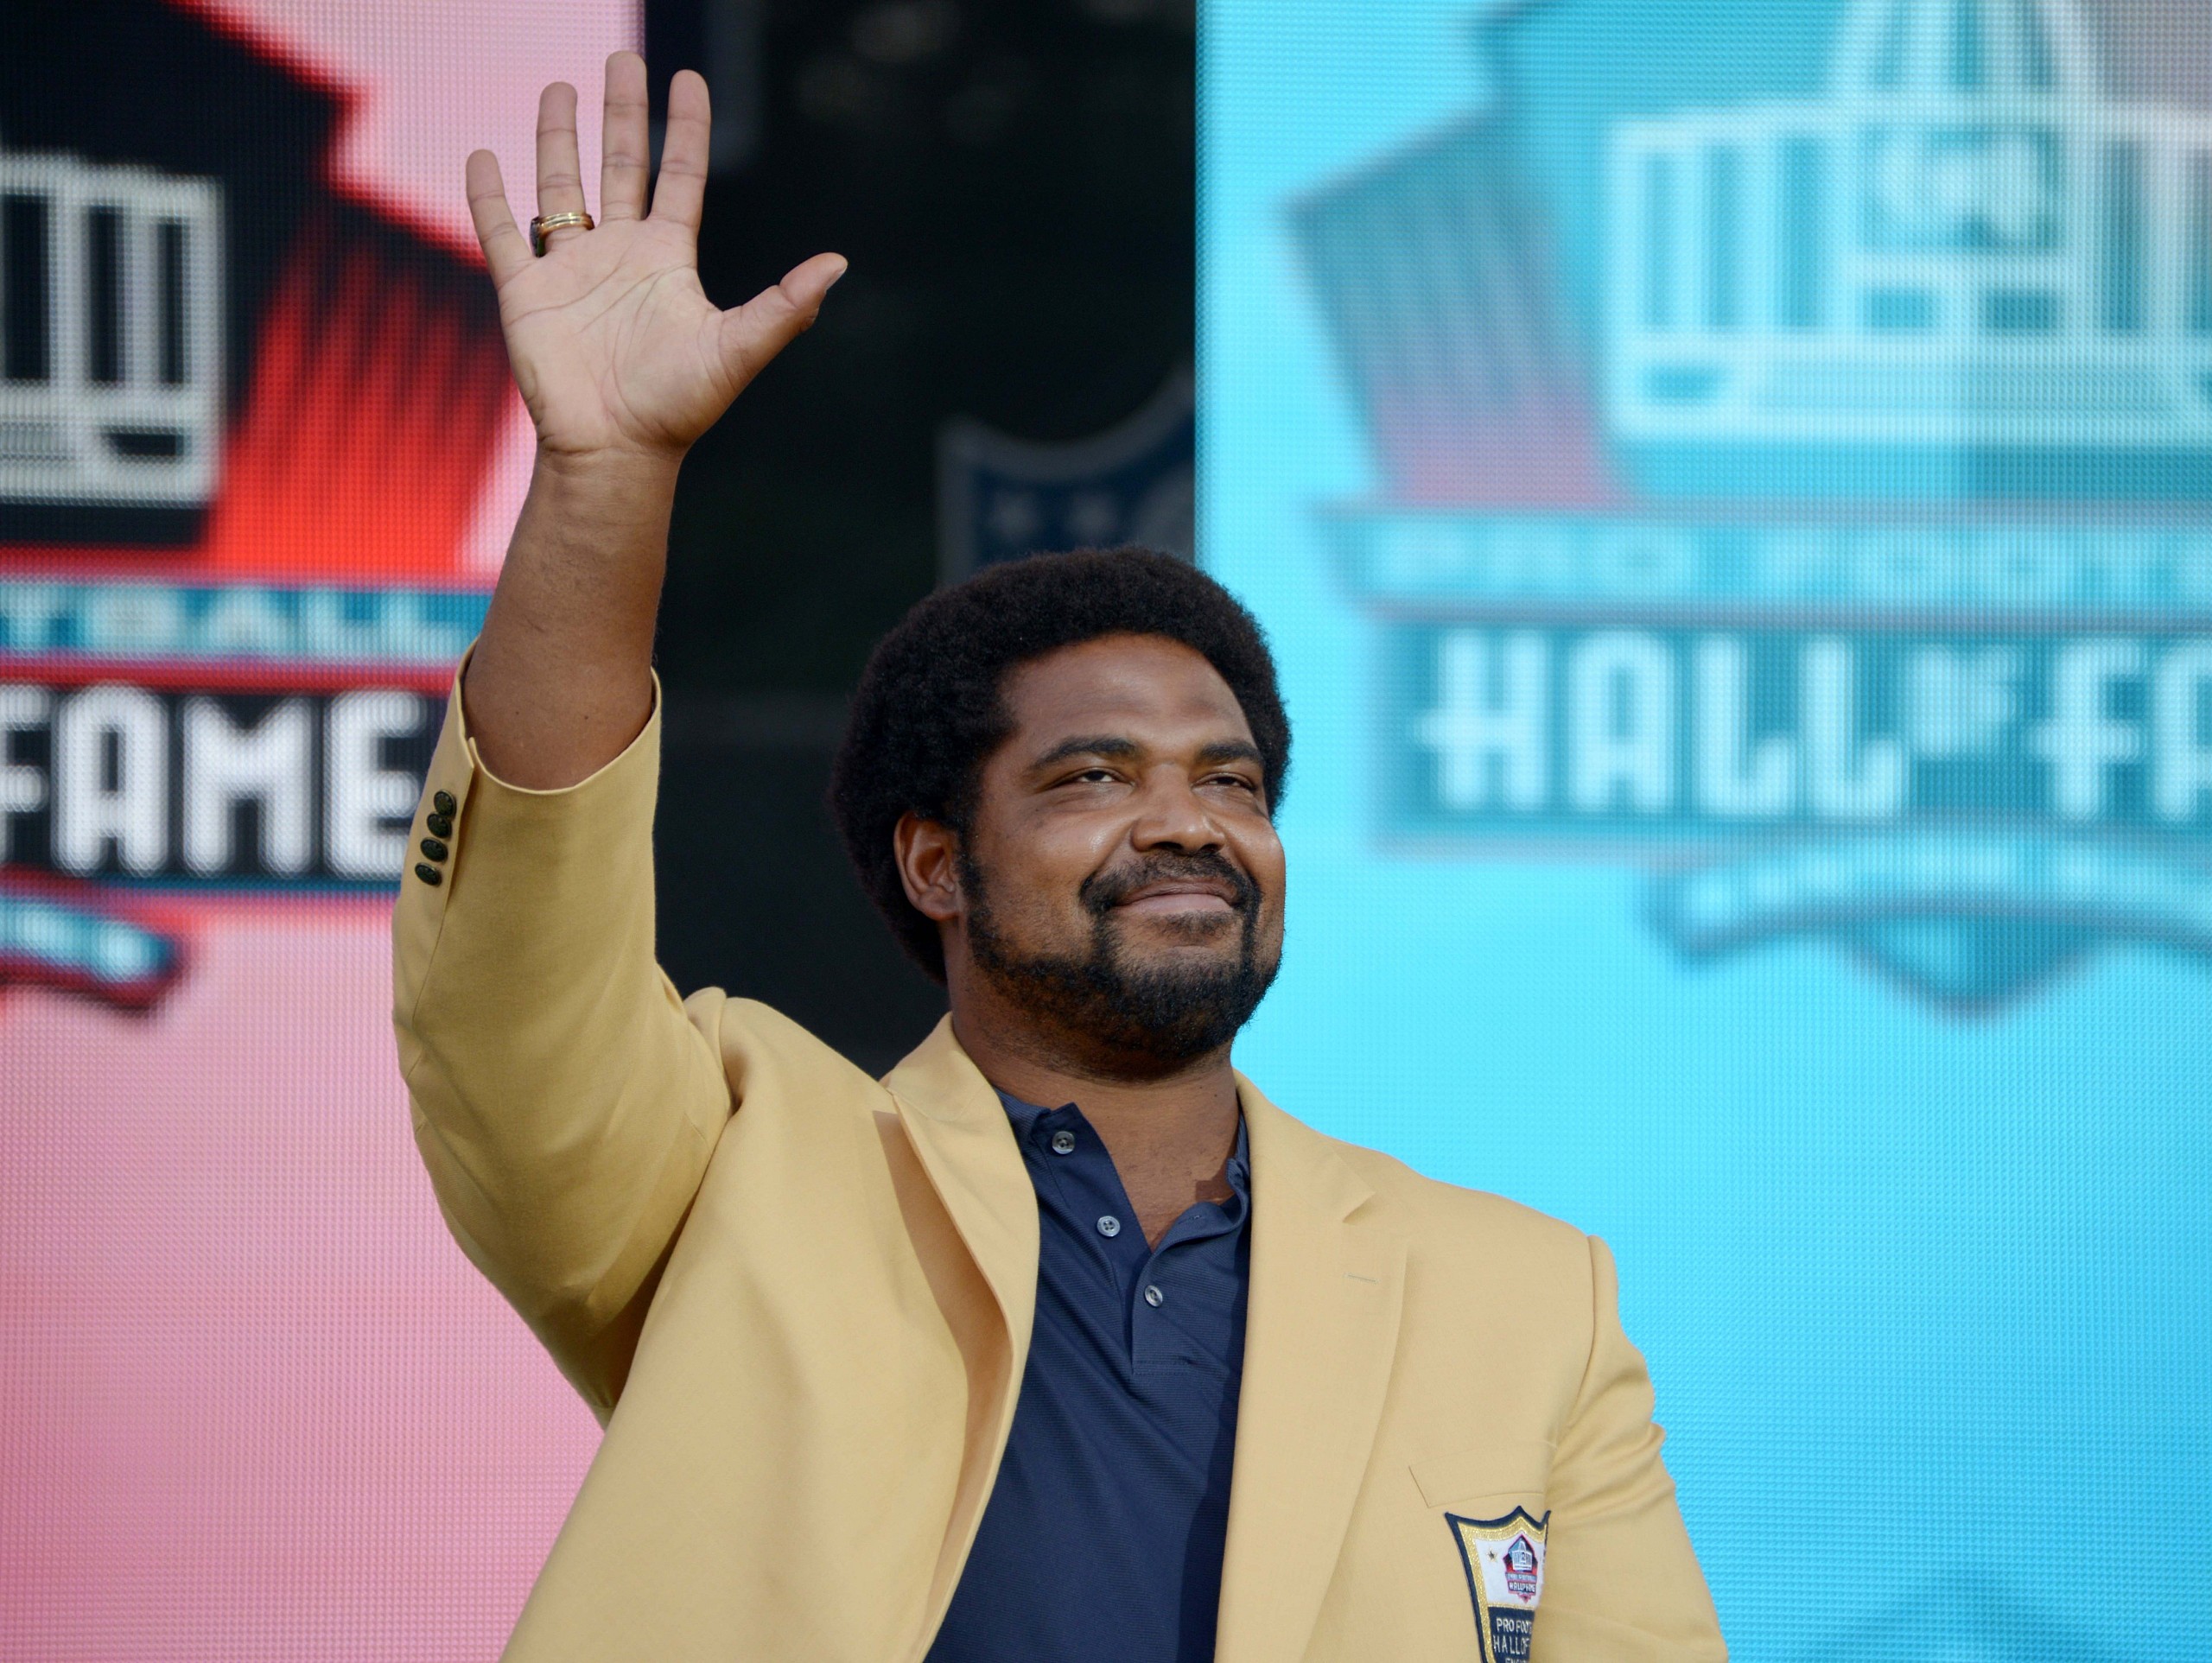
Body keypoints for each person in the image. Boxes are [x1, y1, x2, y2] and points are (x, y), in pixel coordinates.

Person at [394, 53, 1727, 1663]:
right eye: (1094, 775)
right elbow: (515, 981)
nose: (1188, 820)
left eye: (1231, 780)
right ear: (937, 864)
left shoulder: (1525, 1299)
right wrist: (607, 483)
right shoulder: (736, 1169)